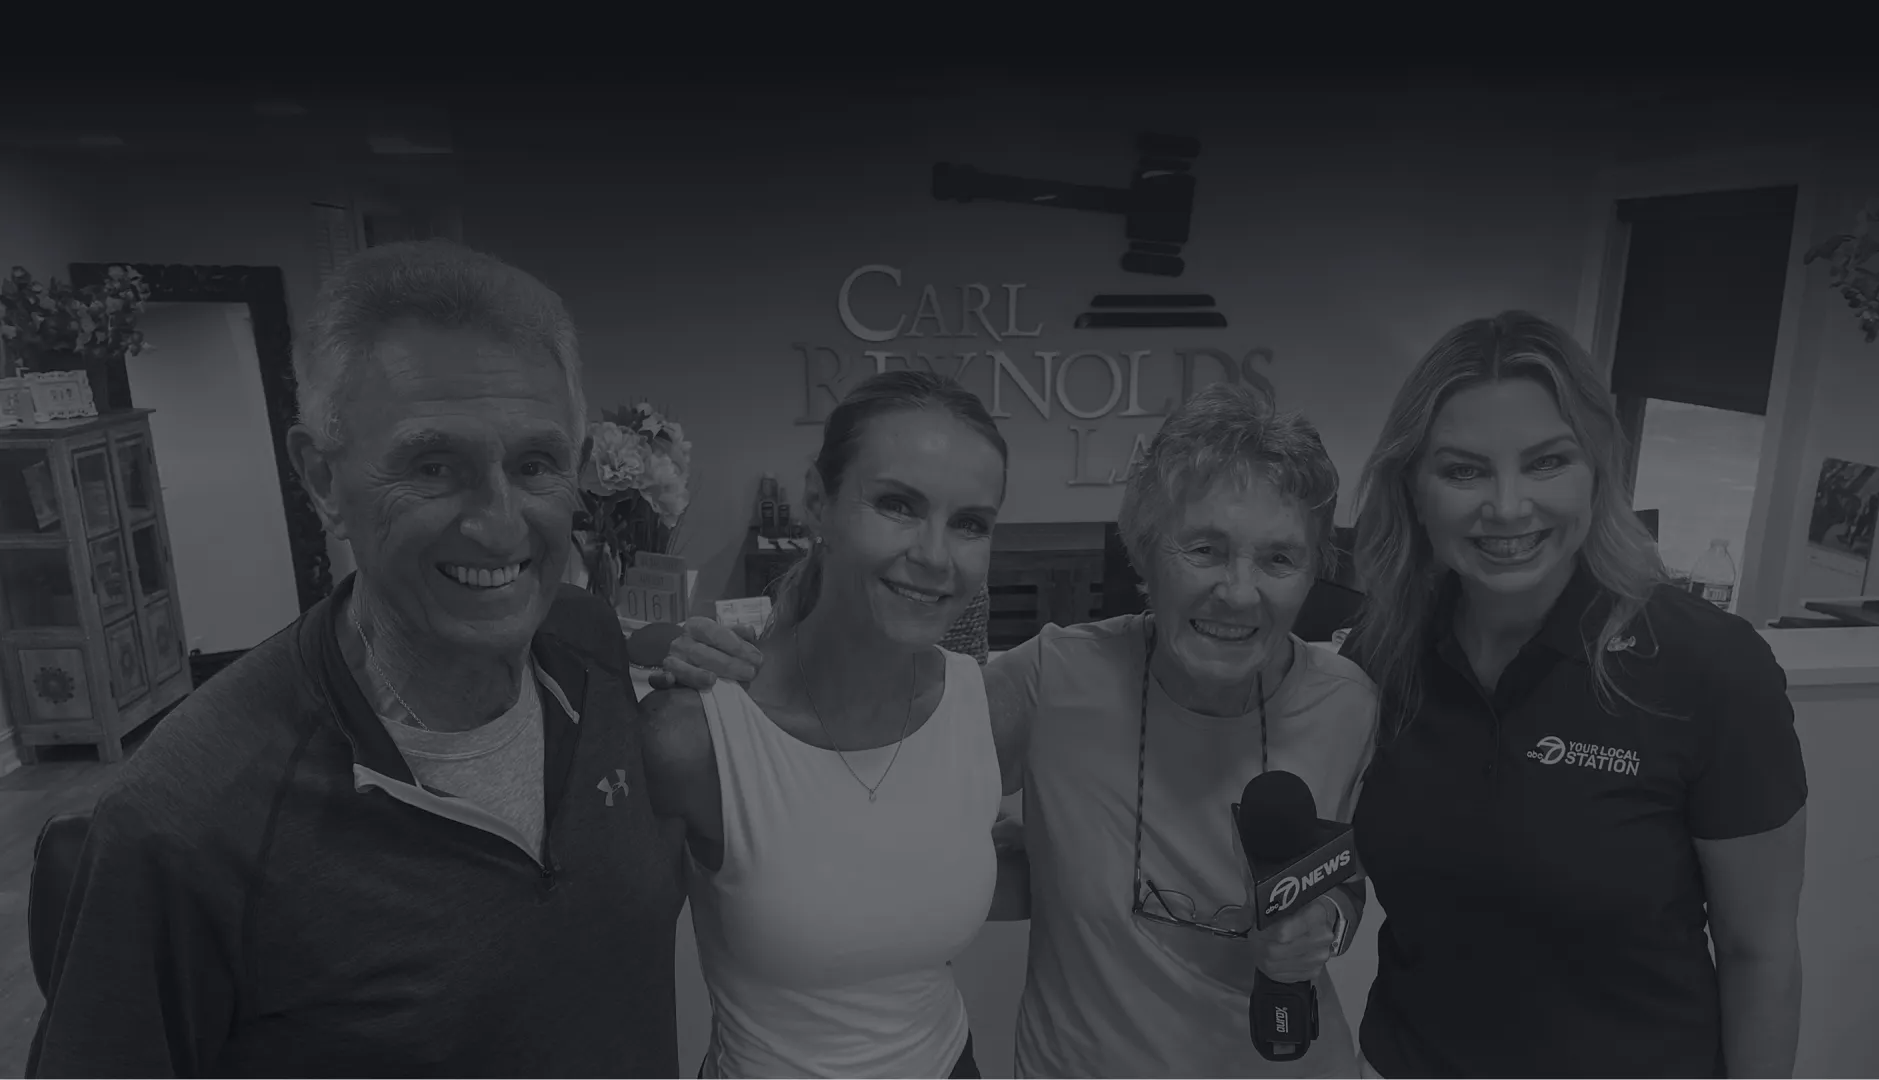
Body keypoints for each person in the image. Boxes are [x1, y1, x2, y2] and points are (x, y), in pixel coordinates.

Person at [28, 241, 685, 1077]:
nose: (497, 524)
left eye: (534, 464)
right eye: (432, 466)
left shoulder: (585, 644)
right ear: (322, 481)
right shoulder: (188, 819)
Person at [663, 382, 1379, 1077]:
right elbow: (865, 765)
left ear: (1314, 571)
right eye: (1204, 549)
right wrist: (684, 650)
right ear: (1144, 552)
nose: (1239, 591)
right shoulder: (1054, 679)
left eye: (1279, 558)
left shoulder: (1347, 704)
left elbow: (1345, 873)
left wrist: (1329, 924)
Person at [1340, 311, 1807, 1078]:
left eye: (1548, 462)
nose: (1509, 506)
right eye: (1463, 470)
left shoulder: (1710, 669)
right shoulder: (1379, 658)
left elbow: (1761, 958)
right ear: (1412, 489)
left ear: (1598, 468)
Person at [638, 370, 1023, 1078]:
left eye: (970, 523)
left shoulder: (985, 710)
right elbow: (603, 964)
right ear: (818, 502)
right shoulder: (695, 736)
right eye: (898, 505)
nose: (936, 556)